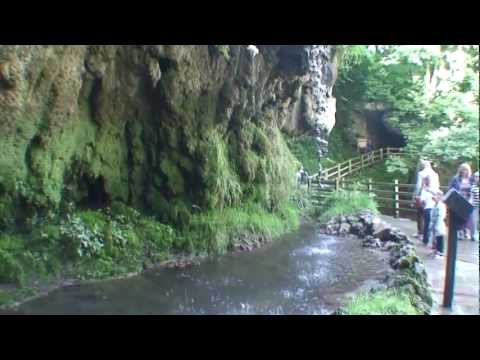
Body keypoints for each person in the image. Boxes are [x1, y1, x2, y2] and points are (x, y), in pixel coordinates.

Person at [413, 160, 440, 239]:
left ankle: (420, 233)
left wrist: (416, 195)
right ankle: (428, 233)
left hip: (423, 196)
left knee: (420, 214)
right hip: (432, 196)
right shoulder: (435, 174)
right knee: (429, 216)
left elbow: (418, 186)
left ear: (423, 166)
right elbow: (437, 186)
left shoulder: (421, 174)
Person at [448, 163, 475, 240]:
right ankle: (459, 232)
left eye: (466, 169)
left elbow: (474, 189)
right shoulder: (455, 179)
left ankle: (466, 232)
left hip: (468, 200)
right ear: (460, 170)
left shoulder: (471, 179)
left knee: (467, 217)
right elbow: (451, 188)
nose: (464, 171)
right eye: (463, 169)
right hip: (458, 200)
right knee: (459, 216)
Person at [428, 191, 447, 257]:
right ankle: (436, 250)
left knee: (440, 238)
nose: (434, 197)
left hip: (439, 224)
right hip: (434, 224)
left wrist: (435, 223)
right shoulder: (435, 204)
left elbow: (440, 215)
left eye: (436, 196)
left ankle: (440, 253)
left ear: (439, 197)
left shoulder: (441, 205)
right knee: (436, 238)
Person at [420, 176, 437, 246]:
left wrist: (423, 205)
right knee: (433, 225)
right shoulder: (434, 189)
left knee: (427, 225)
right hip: (434, 208)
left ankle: (425, 240)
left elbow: (422, 200)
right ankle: (433, 242)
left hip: (428, 208)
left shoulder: (424, 190)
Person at [471, 171, 479, 242]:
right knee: (474, 221)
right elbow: (472, 196)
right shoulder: (473, 186)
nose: (476, 178)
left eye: (477, 177)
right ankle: (474, 235)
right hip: (474, 206)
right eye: (475, 177)